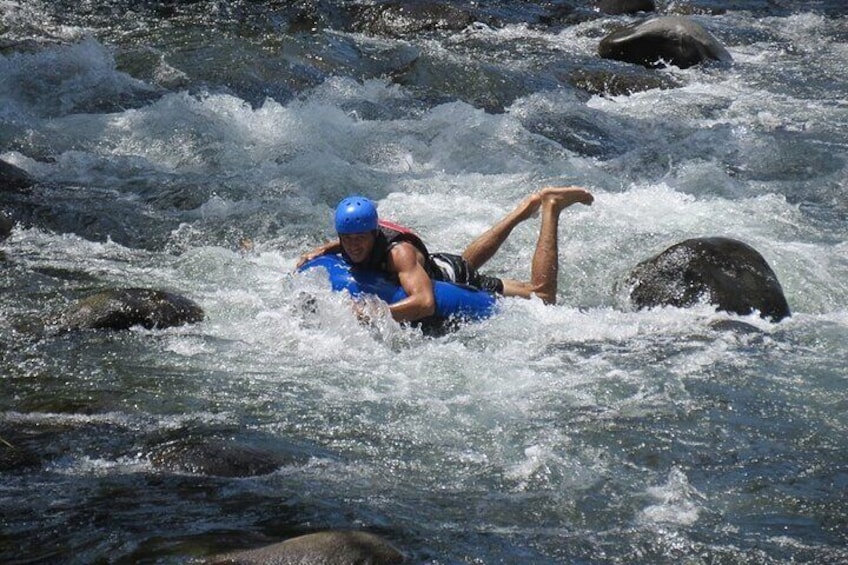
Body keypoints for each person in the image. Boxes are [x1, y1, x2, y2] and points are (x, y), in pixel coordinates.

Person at [296, 186, 594, 324]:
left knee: (543, 297)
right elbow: (347, 243)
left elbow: (425, 303)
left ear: (374, 234)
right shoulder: (352, 238)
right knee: (464, 260)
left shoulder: (399, 252)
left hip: (450, 278)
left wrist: (375, 313)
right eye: (346, 240)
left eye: (360, 239)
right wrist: (320, 250)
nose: (353, 246)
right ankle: (521, 211)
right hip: (438, 263)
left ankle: (552, 207)